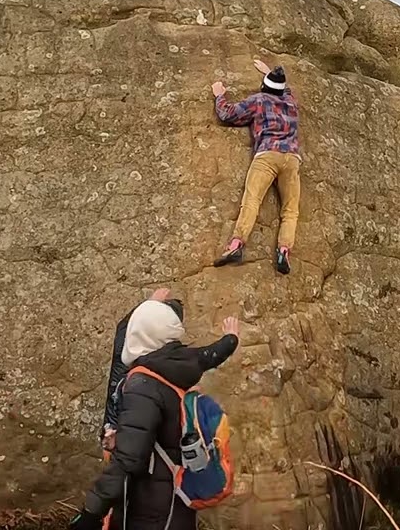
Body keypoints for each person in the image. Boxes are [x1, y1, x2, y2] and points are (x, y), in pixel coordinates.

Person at [69, 301, 241, 530]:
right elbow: (210, 355)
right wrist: (231, 338)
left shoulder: (143, 384)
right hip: (177, 504)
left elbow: (129, 459)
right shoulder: (176, 372)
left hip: (148, 511)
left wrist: (92, 511)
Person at [210, 58, 301, 275]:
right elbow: (284, 89)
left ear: (264, 86)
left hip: (268, 154)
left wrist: (219, 95)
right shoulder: (291, 103)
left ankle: (236, 245)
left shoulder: (259, 100)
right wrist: (270, 72)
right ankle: (284, 250)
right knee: (290, 210)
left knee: (252, 201)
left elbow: (228, 114)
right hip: (292, 158)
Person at [101, 288, 183, 452]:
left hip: (122, 444)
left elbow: (126, 328)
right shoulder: (175, 365)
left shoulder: (132, 355)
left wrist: (149, 304)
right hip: (138, 452)